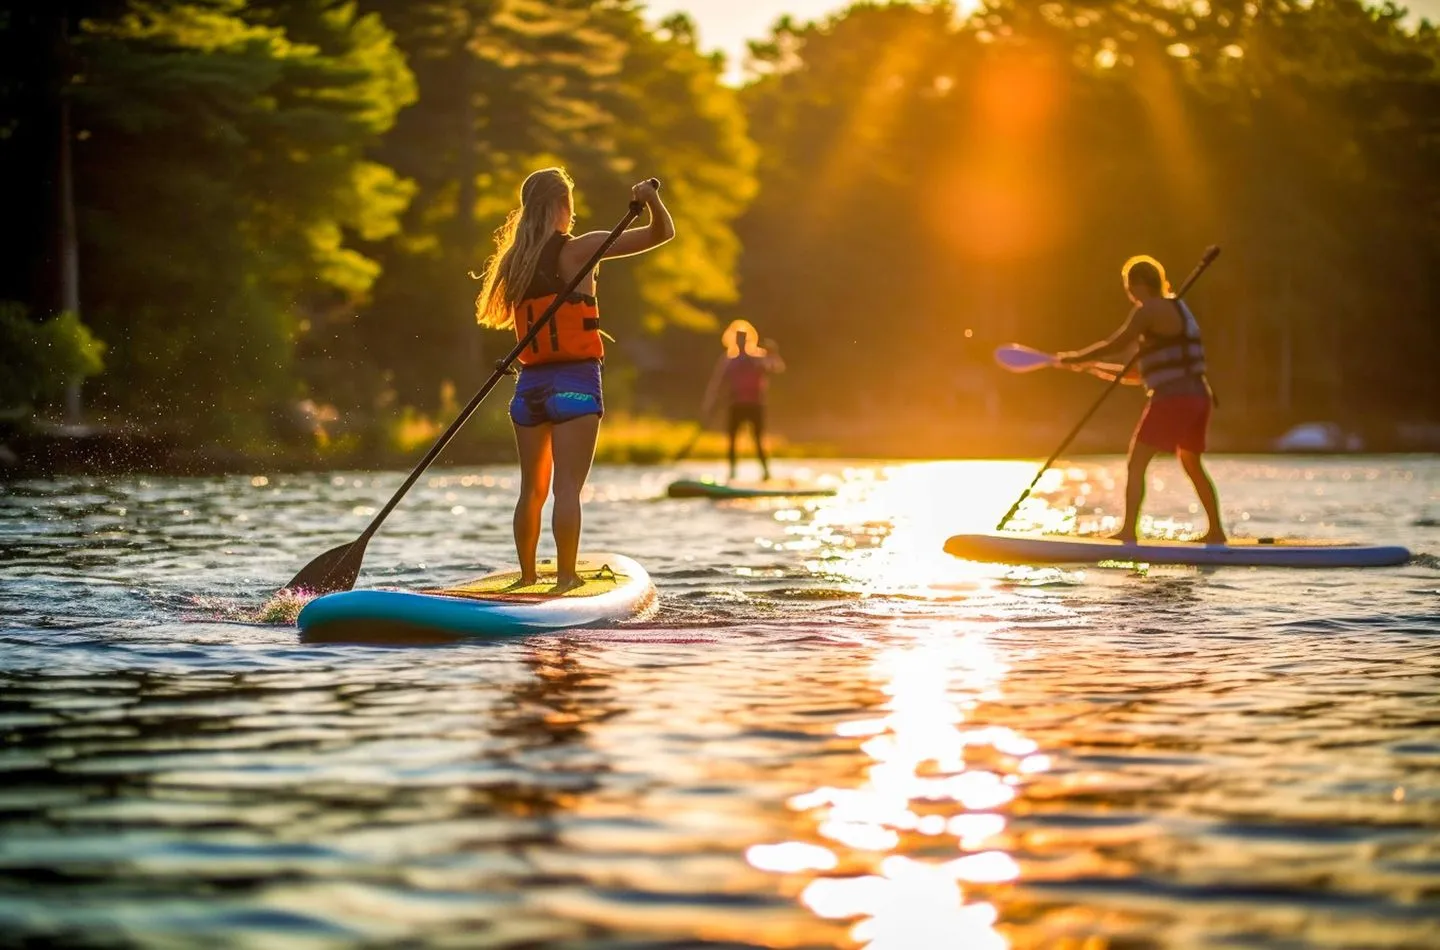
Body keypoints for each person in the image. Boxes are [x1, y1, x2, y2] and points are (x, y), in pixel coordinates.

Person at [475, 168, 674, 590]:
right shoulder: (581, 249)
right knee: (567, 490)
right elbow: (662, 233)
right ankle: (566, 578)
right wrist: (650, 200)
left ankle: (528, 577)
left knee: (531, 490)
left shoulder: (513, 261)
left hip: (528, 388)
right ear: (562, 206)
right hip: (575, 384)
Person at [1055, 255, 1225, 544]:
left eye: (1128, 286)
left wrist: (1074, 357)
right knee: (1192, 464)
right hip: (1198, 397)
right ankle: (1217, 532)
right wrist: (1093, 368)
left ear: (1138, 284)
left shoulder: (1149, 310)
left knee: (1136, 463)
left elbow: (1116, 343)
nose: (1129, 293)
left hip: (1173, 399)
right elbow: (1138, 374)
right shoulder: (1176, 308)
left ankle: (1127, 532)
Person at [701, 319, 784, 481]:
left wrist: (773, 353)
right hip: (736, 405)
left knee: (758, 440)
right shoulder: (729, 360)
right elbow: (717, 383)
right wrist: (710, 403)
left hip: (755, 405)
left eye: (743, 339)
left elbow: (776, 367)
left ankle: (766, 474)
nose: (740, 342)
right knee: (732, 441)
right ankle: (732, 474)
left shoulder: (759, 357)